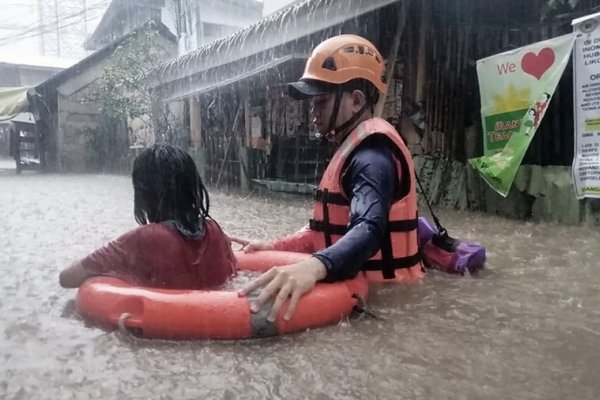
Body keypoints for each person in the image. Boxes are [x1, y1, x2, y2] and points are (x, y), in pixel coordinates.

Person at [232, 34, 421, 323]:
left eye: (320, 102)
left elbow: (369, 229)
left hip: (388, 303)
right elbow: (326, 230)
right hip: (367, 291)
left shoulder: (372, 158)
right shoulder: (354, 148)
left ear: (356, 100)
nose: (313, 113)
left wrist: (314, 267)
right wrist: (275, 247)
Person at [59, 144, 236, 289]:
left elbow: (67, 279)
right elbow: (233, 271)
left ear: (143, 194)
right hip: (214, 320)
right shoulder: (214, 231)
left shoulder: (147, 238)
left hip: (165, 328)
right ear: (193, 187)